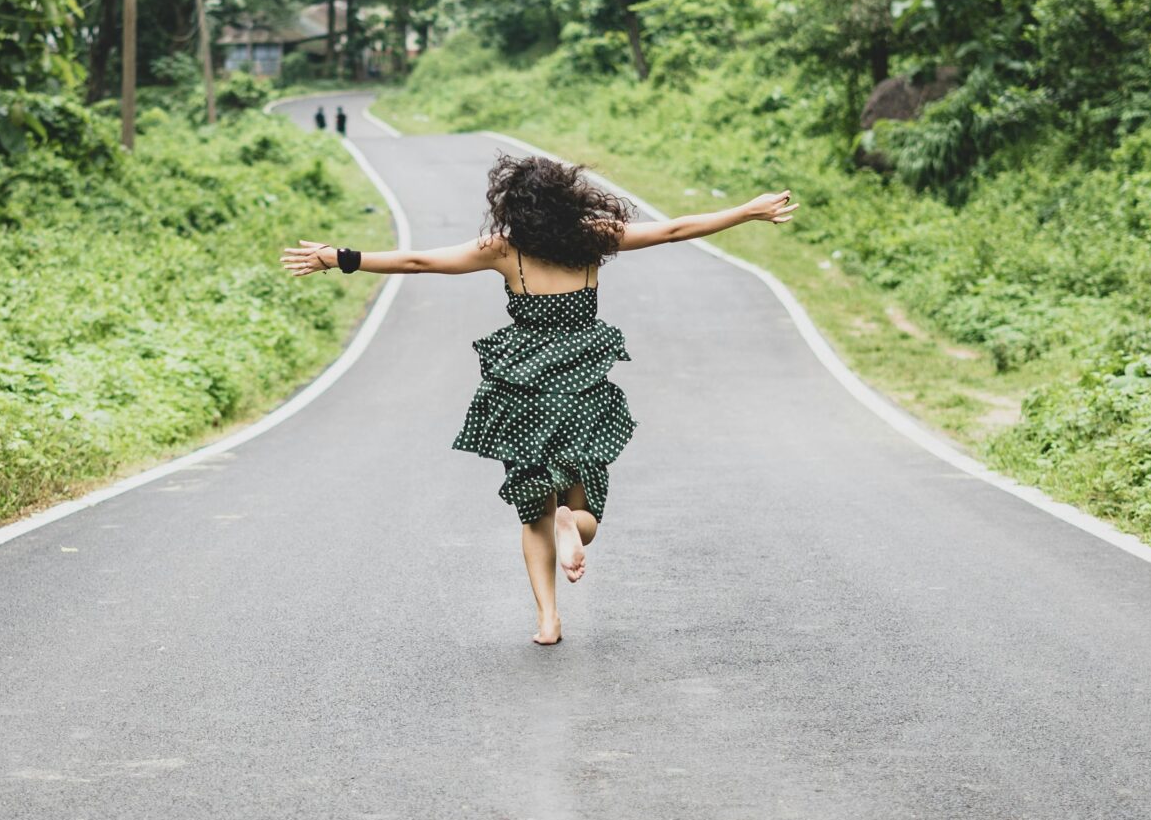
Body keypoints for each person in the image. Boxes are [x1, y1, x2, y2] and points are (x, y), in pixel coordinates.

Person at [283, 153, 796, 645]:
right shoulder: (594, 237)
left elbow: (419, 261)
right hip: (582, 381)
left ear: (513, 205)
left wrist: (340, 257)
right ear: (569, 197)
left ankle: (548, 618)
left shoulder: (503, 249)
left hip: (524, 386)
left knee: (534, 515)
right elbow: (676, 228)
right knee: (584, 505)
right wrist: (748, 210)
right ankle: (573, 523)